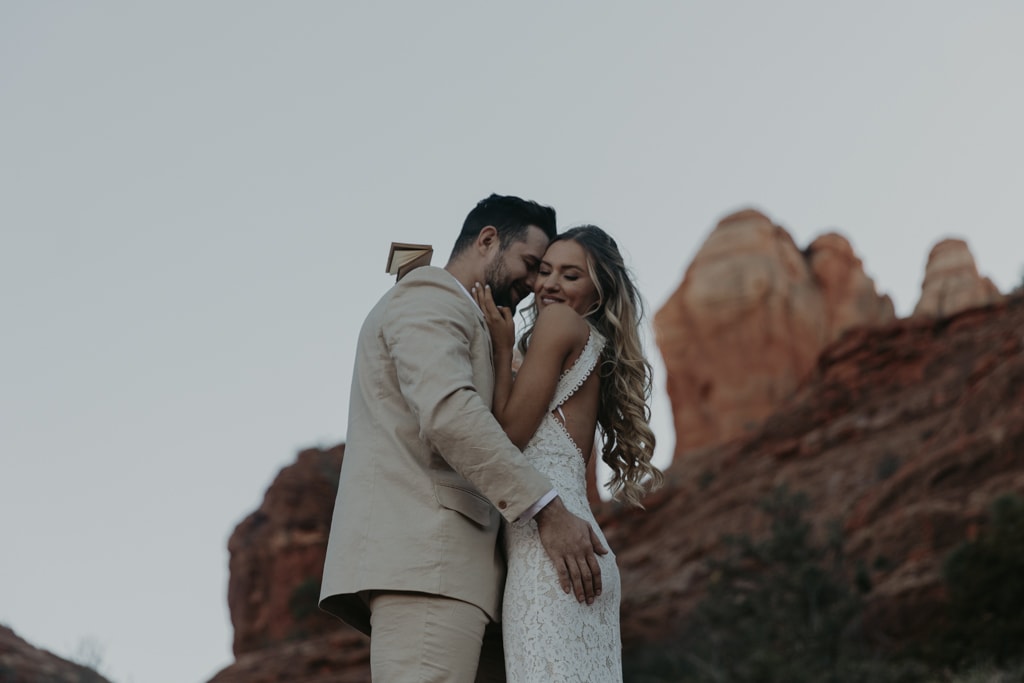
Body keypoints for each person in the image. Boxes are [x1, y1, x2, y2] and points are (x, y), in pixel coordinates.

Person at [319, 195, 609, 683]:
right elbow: (450, 416)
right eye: (531, 265)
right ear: (488, 239)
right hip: (429, 569)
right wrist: (548, 509)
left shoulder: (475, 320)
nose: (535, 283)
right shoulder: (429, 295)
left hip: (475, 580)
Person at [470, 225, 662, 682]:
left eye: (570, 275)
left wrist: (499, 348)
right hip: (573, 550)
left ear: (598, 291)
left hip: (550, 555)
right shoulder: (584, 343)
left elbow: (508, 435)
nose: (549, 284)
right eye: (545, 270)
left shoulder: (558, 326)